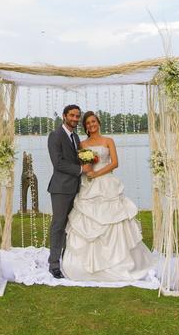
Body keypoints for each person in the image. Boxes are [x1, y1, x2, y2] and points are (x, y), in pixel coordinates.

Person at [61, 111, 154, 283]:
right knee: (88, 220)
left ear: (98, 122)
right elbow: (83, 164)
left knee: (114, 220)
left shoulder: (108, 141)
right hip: (89, 185)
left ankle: (119, 260)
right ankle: (85, 264)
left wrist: (97, 174)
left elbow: (114, 163)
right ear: (85, 127)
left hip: (106, 182)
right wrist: (89, 166)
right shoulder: (82, 144)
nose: (91, 125)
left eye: (93, 121)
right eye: (87, 123)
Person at [46, 104, 83, 279]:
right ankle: (53, 264)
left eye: (77, 116)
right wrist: (81, 170)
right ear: (64, 116)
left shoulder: (75, 137)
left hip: (76, 188)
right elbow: (58, 163)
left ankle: (66, 259)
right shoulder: (55, 135)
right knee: (58, 225)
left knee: (71, 225)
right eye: (72, 116)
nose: (75, 119)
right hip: (61, 188)